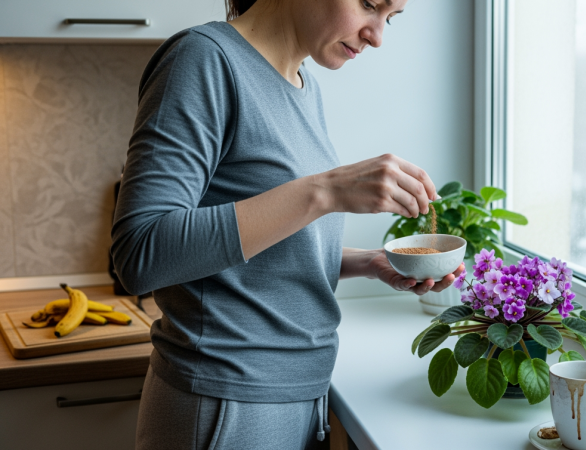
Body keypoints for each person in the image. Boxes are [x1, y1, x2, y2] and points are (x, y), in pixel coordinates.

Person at [110, 0, 464, 448]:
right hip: (224, 403)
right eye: (370, 5)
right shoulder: (204, 59)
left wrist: (368, 262)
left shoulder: (303, 85)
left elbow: (258, 253)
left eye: (390, 17)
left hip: (300, 396)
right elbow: (140, 254)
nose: (377, 35)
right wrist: (325, 191)